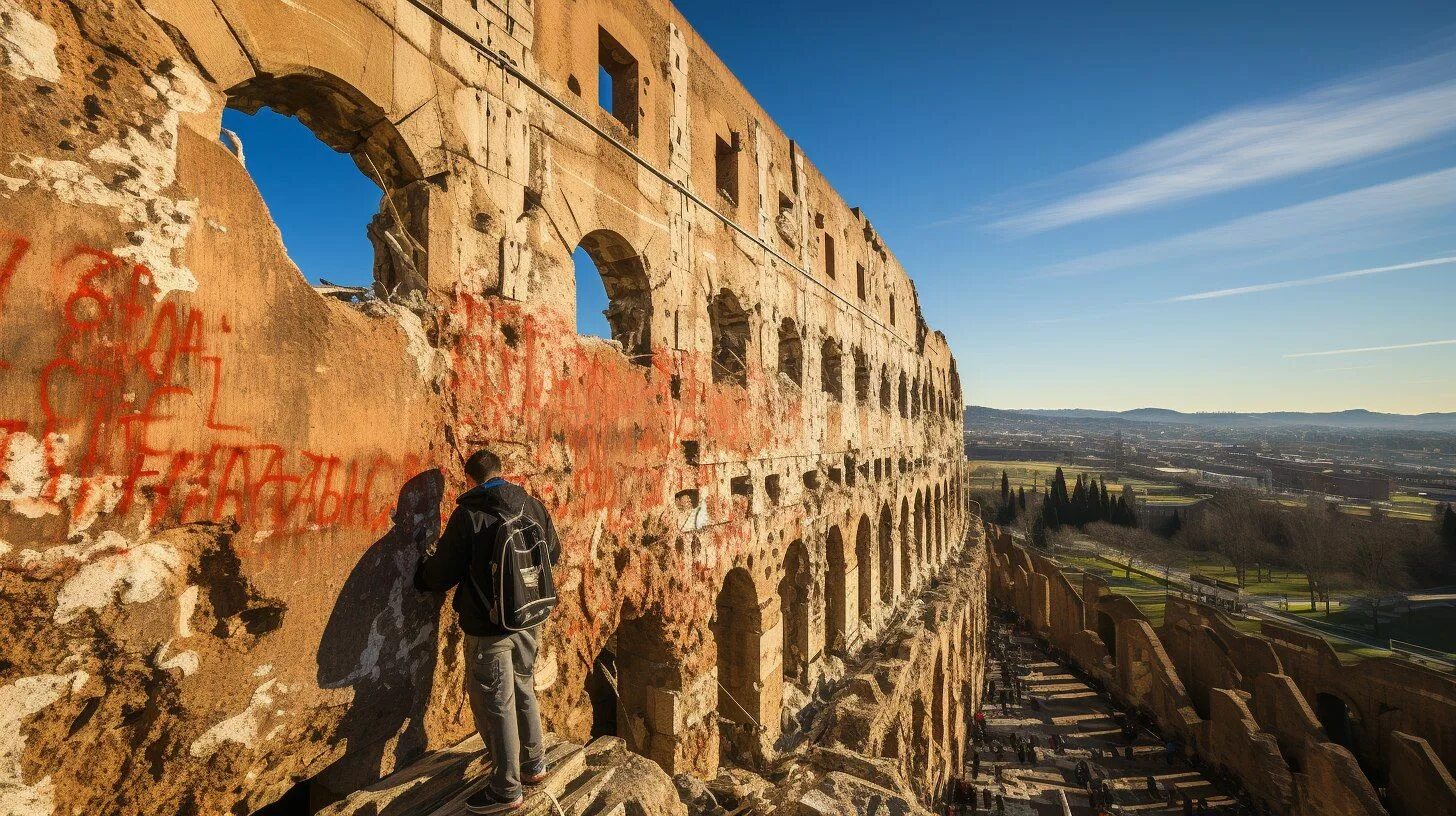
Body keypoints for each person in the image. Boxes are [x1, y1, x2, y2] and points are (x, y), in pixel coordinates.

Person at [416, 449, 562, 814]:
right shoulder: (531, 504)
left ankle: (505, 790)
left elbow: (444, 573)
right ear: (501, 472)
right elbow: (553, 553)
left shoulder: (470, 514)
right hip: (530, 617)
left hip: (489, 625)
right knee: (523, 686)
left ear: (470, 479)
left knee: (497, 703)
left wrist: (422, 574)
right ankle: (534, 765)